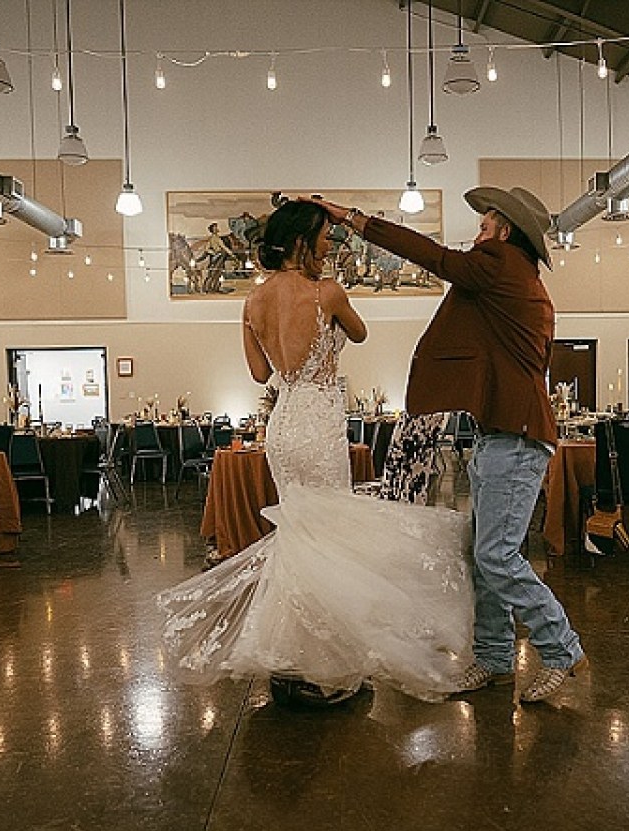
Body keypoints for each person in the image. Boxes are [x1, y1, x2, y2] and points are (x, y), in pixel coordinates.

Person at [158, 200, 473, 704]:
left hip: (283, 426)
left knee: (299, 537)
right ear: (303, 241)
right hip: (321, 425)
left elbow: (261, 376)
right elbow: (361, 332)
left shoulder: (252, 302)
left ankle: (291, 661)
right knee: (329, 541)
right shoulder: (327, 292)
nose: (332, 245)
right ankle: (324, 658)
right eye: (326, 236)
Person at [317, 188, 587, 704]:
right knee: (481, 555)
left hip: (518, 437)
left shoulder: (500, 264)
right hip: (501, 436)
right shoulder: (510, 280)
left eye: (484, 227)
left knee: (498, 556)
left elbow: (433, 257)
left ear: (505, 233)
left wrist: (355, 220)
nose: (477, 236)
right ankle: (493, 656)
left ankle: (559, 648)